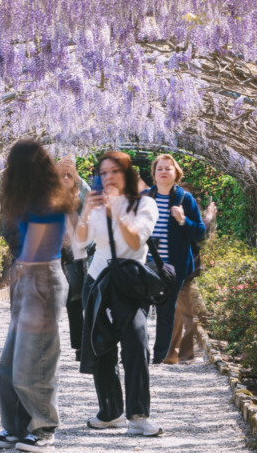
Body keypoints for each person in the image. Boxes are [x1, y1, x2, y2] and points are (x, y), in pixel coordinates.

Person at [0, 140, 77, 453]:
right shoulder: (30, 198)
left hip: (42, 279)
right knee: (10, 363)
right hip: (29, 279)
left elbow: (41, 238)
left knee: (35, 359)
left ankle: (43, 429)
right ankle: (14, 427)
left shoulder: (48, 198)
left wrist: (20, 267)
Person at [76, 151, 163, 436]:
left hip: (130, 282)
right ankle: (110, 411)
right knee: (101, 346)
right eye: (103, 172)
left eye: (114, 171)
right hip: (98, 281)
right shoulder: (98, 206)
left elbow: (137, 240)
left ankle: (138, 415)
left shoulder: (146, 204)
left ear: (128, 174)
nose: (108, 177)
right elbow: (78, 244)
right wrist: (87, 212)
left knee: (136, 343)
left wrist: (117, 211)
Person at [143, 154, 207, 365]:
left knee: (166, 311)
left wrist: (182, 220)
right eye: (159, 168)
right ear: (154, 174)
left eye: (168, 169)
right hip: (145, 263)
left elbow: (199, 232)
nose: (163, 172)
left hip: (173, 266)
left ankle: (159, 356)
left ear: (176, 173)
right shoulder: (145, 198)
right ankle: (138, 351)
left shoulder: (184, 199)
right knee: (139, 309)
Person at [164, 189, 217, 364]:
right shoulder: (178, 209)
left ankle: (180, 354)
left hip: (186, 268)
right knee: (180, 310)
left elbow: (200, 235)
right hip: (180, 266)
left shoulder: (185, 210)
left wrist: (208, 218)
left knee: (183, 311)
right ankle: (176, 353)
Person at [56, 158, 89, 362]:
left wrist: (77, 178)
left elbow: (91, 198)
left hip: (78, 253)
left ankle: (80, 346)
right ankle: (49, 346)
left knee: (77, 301)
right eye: (62, 174)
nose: (66, 178)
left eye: (70, 175)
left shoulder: (81, 196)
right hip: (54, 254)